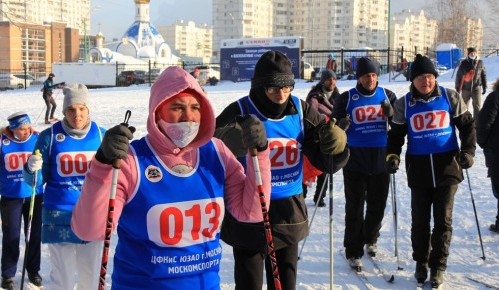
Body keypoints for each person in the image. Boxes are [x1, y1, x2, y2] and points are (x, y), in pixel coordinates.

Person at [71, 66, 272, 289]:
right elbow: (90, 230)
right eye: (177, 107)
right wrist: (103, 164)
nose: (189, 116)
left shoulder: (216, 152)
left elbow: (252, 212)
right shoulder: (133, 159)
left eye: (196, 107)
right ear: (157, 112)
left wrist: (260, 152)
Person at [215, 50, 349, 290]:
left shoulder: (301, 109)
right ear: (260, 88)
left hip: (288, 209)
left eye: (287, 88)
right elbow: (212, 147)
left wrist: (337, 149)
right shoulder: (240, 110)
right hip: (249, 210)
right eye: (273, 89)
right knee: (249, 284)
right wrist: (233, 139)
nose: (280, 95)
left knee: (285, 284)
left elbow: (322, 160)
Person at [386, 54, 476, 288]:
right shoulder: (404, 104)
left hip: (448, 167)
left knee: (443, 221)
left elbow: (467, 126)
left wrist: (468, 151)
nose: (426, 81)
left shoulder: (450, 96)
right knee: (420, 221)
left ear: (435, 78)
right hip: (419, 169)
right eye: (420, 77)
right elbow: (395, 136)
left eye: (429, 76)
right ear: (413, 80)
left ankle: (438, 266)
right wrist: (393, 156)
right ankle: (421, 262)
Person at [23, 83, 106, 290]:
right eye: (70, 110)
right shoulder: (49, 137)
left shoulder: (101, 135)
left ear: (88, 110)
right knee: (63, 277)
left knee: (91, 275)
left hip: (93, 214)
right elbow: (37, 181)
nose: (76, 115)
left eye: (81, 109)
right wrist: (31, 169)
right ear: (63, 111)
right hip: (59, 215)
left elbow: (114, 177)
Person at [331, 57, 396, 270]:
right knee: (355, 207)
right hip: (355, 159)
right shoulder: (347, 98)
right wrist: (340, 125)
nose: (371, 79)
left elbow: (399, 124)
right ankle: (353, 250)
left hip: (380, 158)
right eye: (367, 75)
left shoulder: (388, 96)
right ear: (359, 77)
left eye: (374, 75)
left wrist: (392, 114)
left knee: (377, 205)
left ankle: (371, 238)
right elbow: (333, 126)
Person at [0, 112, 43, 289]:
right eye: (21, 129)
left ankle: (33, 271)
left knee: (34, 236)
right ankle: (8, 274)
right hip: (11, 197)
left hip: (34, 193)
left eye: (28, 128)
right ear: (13, 128)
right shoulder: (2, 141)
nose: (26, 132)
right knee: (11, 236)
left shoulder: (38, 138)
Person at [303, 69, 341, 207]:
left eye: (334, 79)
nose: (332, 82)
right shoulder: (314, 97)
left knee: (325, 168)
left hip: (330, 135)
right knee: (309, 166)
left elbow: (340, 113)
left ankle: (320, 196)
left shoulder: (338, 97)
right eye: (328, 79)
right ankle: (303, 194)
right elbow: (309, 114)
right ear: (323, 81)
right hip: (314, 135)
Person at [476, 78, 499, 234]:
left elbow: (483, 124)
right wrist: (485, 144)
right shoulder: (496, 97)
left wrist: (485, 144)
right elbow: (484, 123)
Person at [455, 47, 487, 119]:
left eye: (474, 53)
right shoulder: (464, 63)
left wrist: (485, 86)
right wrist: (457, 88)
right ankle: (466, 123)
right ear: (468, 54)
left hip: (476, 88)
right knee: (464, 107)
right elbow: (459, 76)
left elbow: (483, 75)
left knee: (477, 107)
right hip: (466, 89)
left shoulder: (480, 63)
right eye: (471, 53)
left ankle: (476, 124)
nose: (473, 54)